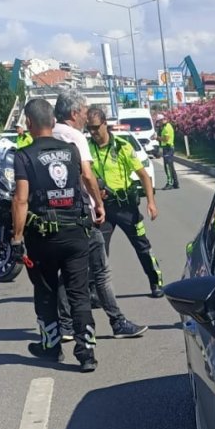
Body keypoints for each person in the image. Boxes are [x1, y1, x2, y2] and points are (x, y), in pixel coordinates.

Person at [10, 98, 104, 372]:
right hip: (76, 233)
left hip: (42, 239)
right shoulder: (72, 150)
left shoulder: (24, 156)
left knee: (46, 292)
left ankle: (51, 348)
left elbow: (21, 200)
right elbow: (87, 177)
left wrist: (16, 239)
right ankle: (86, 352)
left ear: (28, 124)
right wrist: (98, 203)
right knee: (79, 294)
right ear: (53, 121)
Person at [53, 96, 144, 340]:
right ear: (73, 113)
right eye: (83, 112)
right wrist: (99, 202)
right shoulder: (75, 137)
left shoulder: (49, 134)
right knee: (101, 271)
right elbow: (87, 175)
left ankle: (64, 325)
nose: (85, 116)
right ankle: (117, 323)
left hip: (55, 214)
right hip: (81, 212)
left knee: (67, 270)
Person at [86, 107, 164, 297]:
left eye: (96, 127)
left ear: (105, 124)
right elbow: (83, 175)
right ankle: (95, 291)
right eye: (90, 128)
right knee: (98, 249)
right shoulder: (87, 148)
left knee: (142, 246)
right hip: (103, 208)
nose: (93, 132)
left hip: (126, 207)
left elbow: (144, 176)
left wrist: (151, 202)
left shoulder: (122, 147)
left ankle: (156, 281)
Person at [158, 116, 180, 189]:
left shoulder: (167, 127)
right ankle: (175, 183)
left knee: (167, 166)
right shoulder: (166, 126)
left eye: (159, 121)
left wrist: (157, 138)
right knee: (170, 166)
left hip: (168, 148)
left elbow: (166, 139)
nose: (159, 123)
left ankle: (170, 183)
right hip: (167, 148)